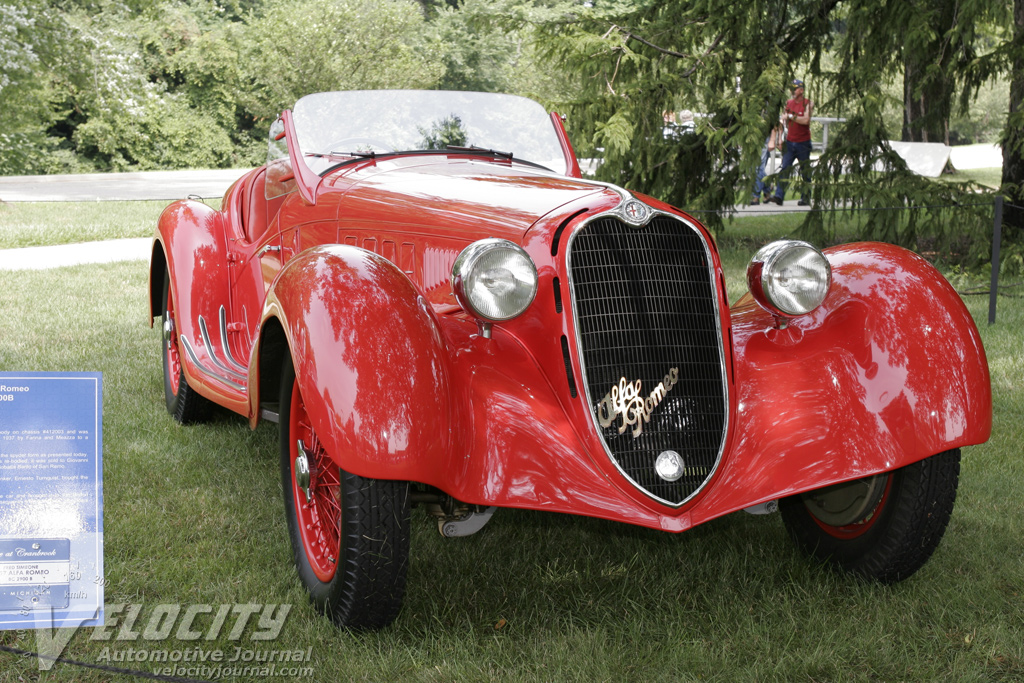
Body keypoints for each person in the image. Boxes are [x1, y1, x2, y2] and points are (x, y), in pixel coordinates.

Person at [771, 79, 813, 206]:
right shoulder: (788, 103)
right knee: (785, 169)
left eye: (794, 89)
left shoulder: (808, 103)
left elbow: (806, 120)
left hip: (803, 142)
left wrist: (790, 116)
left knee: (804, 170)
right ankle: (779, 196)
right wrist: (779, 138)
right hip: (790, 141)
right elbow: (782, 121)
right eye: (791, 89)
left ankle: (806, 197)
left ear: (801, 90)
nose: (792, 91)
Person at [751, 120, 784, 205]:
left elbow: (775, 122)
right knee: (755, 167)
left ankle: (755, 196)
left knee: (758, 167)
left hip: (764, 138)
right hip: (752, 136)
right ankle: (767, 189)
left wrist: (773, 139)